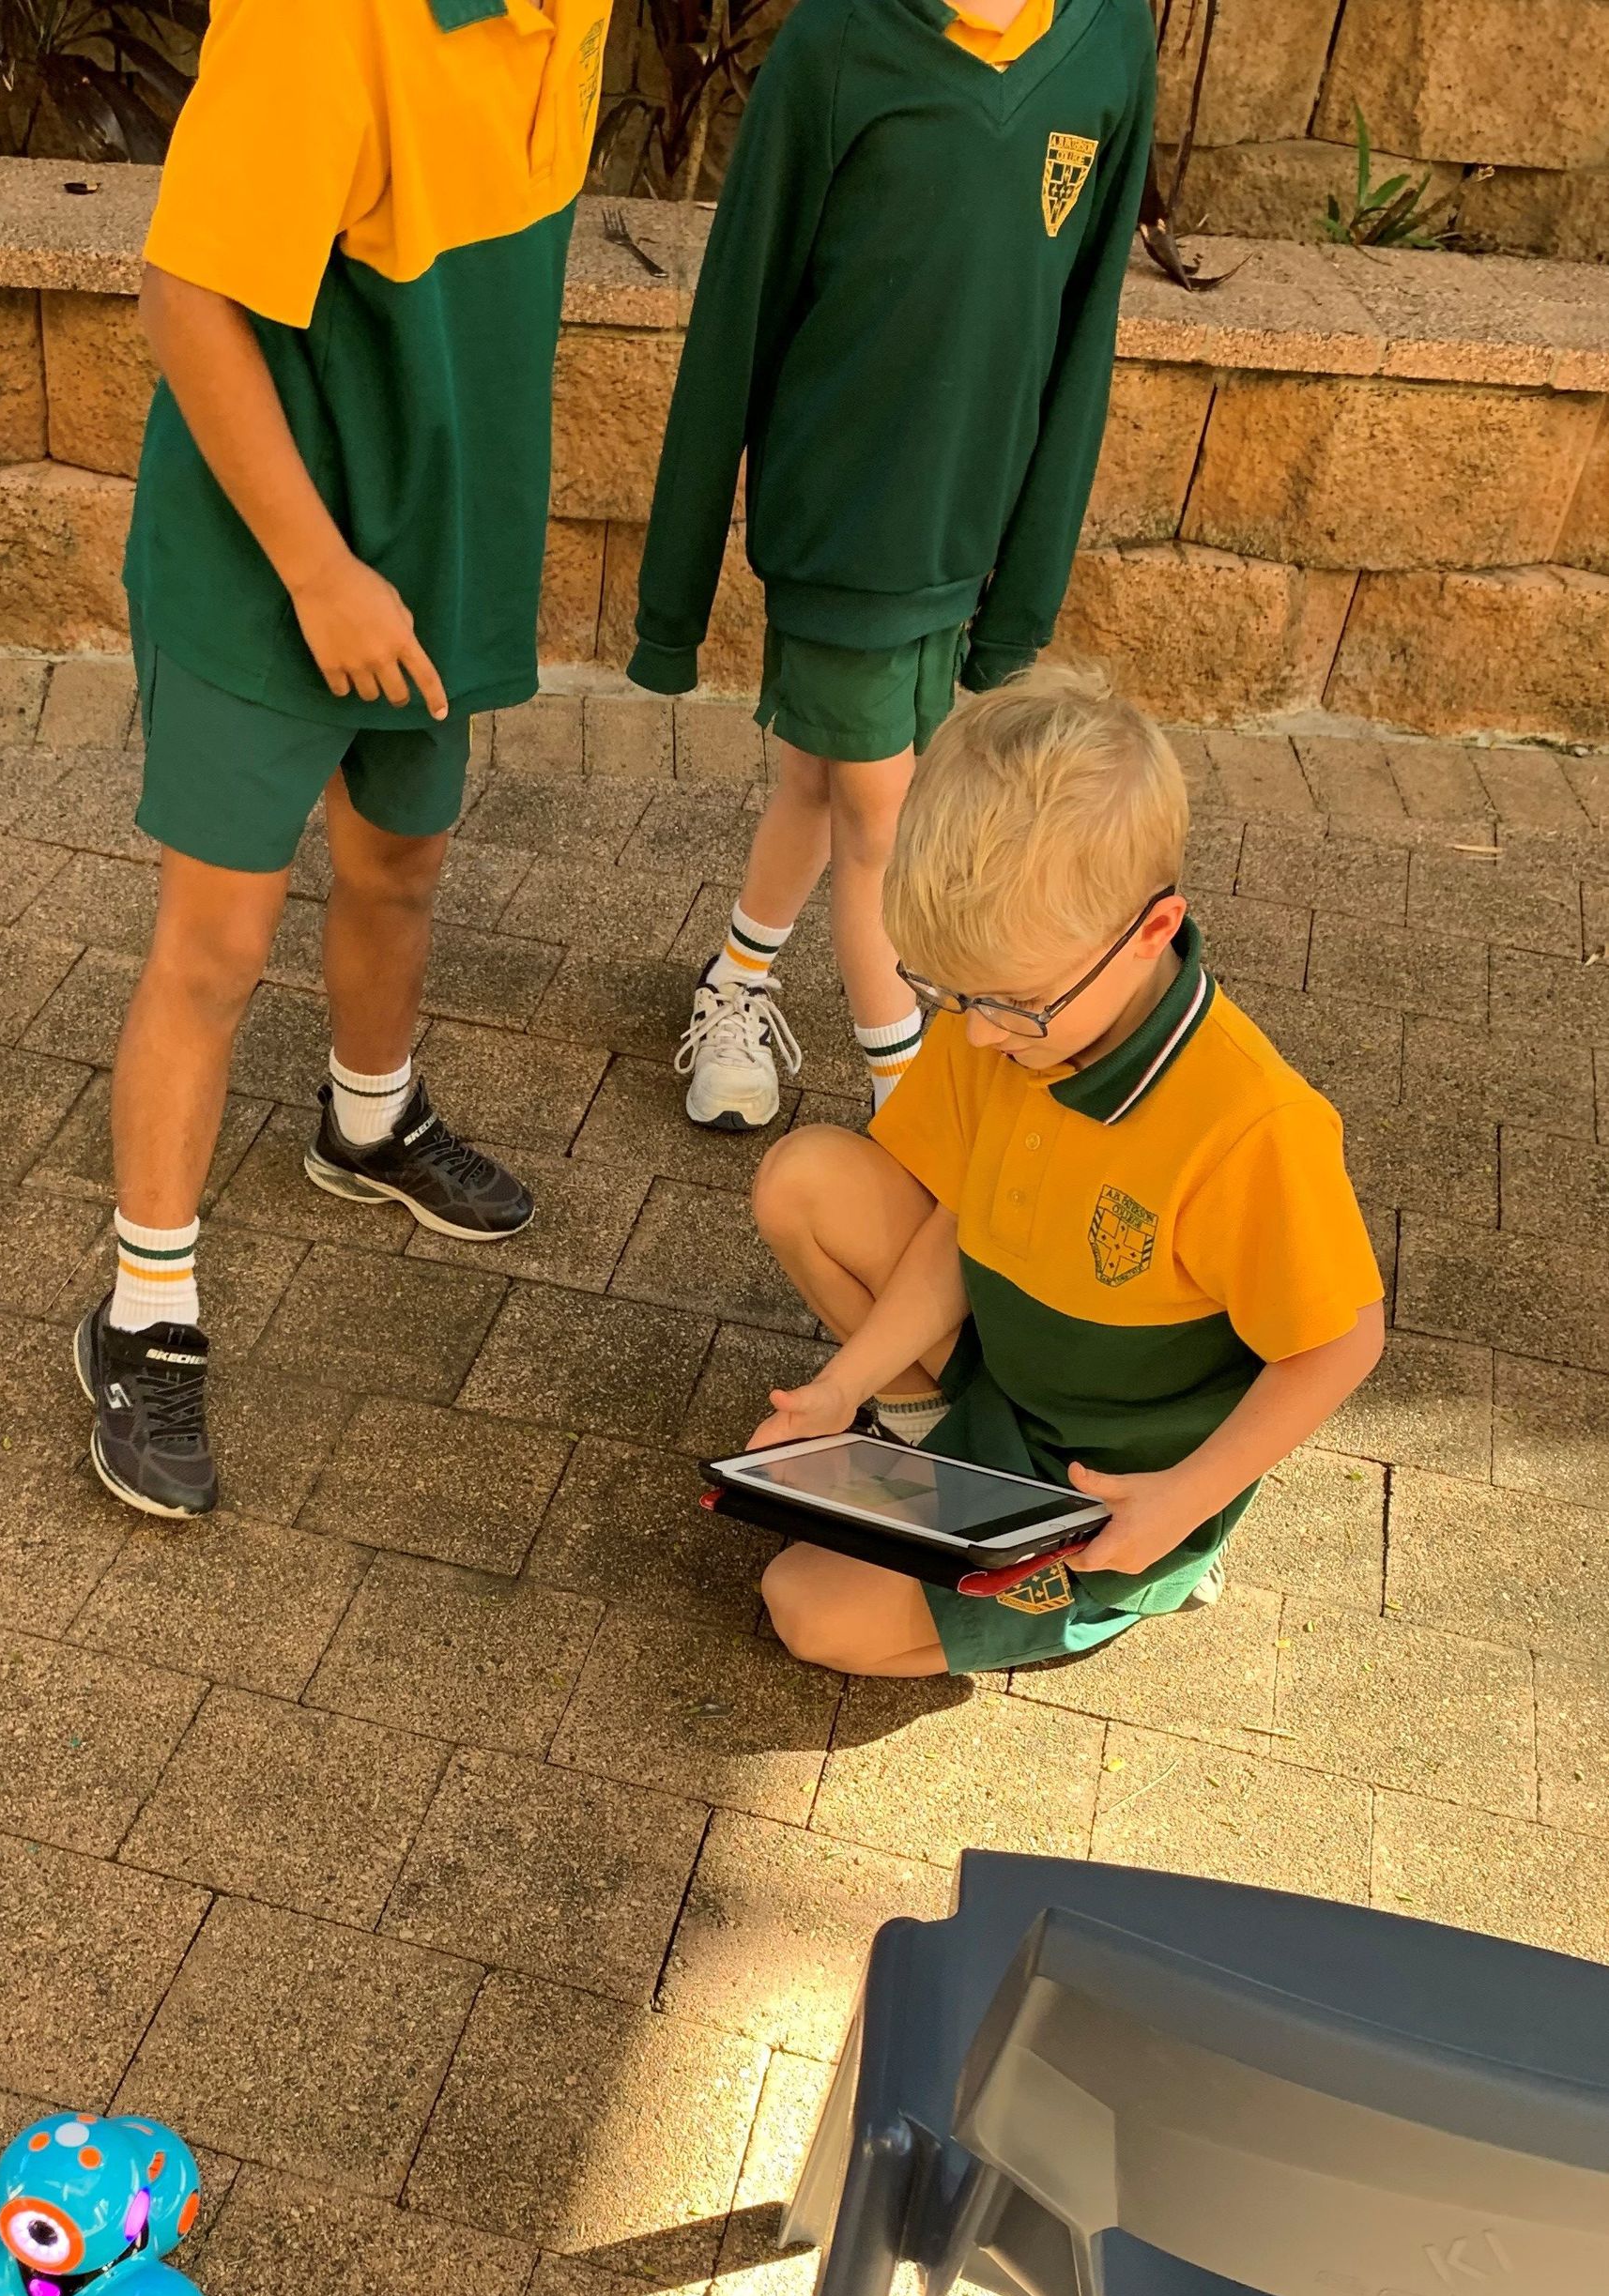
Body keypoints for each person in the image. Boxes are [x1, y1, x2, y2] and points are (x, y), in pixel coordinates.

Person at [75, 0, 612, 1519]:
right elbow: (183, 293)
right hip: (265, 566)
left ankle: (368, 1120)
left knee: (402, 865)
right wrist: (319, 573)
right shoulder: (320, 19)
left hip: (433, 554)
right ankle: (143, 1311)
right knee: (215, 946)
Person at [744, 663, 1386, 1679]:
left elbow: (1341, 1342)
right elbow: (965, 1220)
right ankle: (933, 1437)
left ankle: (1154, 1575)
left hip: (1116, 1480)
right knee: (803, 1180)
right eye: (953, 995)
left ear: (1150, 933)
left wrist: (1185, 1497)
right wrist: (842, 1385)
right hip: (1007, 1370)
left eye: (1012, 1003)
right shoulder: (1004, 1013)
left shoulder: (1254, 1123)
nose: (979, 1035)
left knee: (808, 1611)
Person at [628, 0, 1156, 1133]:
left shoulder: (1110, 39)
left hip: (969, 527)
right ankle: (910, 1100)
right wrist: (670, 603)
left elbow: (1084, 320)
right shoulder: (837, 41)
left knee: (820, 782)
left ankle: (736, 980)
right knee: (886, 814)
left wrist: (1020, 588)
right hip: (844, 527)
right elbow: (739, 308)